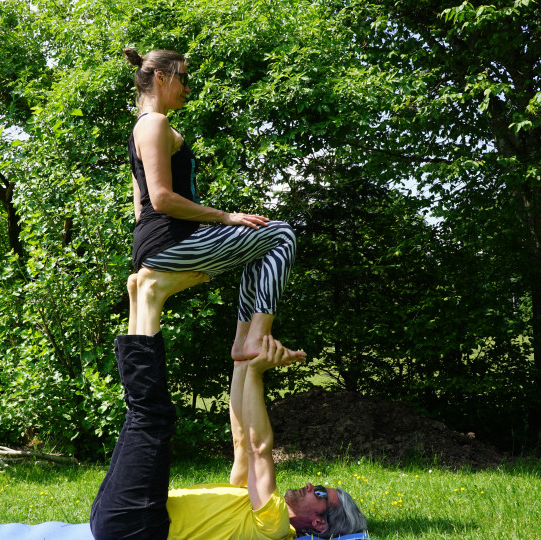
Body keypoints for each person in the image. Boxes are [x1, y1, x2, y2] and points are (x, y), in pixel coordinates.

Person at [90, 332, 368, 539]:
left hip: (136, 526)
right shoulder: (251, 505)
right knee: (144, 413)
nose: (310, 485)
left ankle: (147, 299)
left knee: (151, 416)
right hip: (123, 518)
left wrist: (257, 372)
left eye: (319, 493)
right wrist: (242, 364)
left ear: (319, 523)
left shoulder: (277, 524)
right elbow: (242, 441)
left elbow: (259, 449)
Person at [123, 47, 305, 362]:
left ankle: (242, 344)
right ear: (162, 77)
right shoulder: (155, 124)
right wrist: (225, 217)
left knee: (257, 248)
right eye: (184, 79)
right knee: (281, 234)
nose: (188, 88)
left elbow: (141, 208)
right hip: (172, 240)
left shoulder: (139, 129)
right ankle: (256, 338)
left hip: (153, 243)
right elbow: (161, 198)